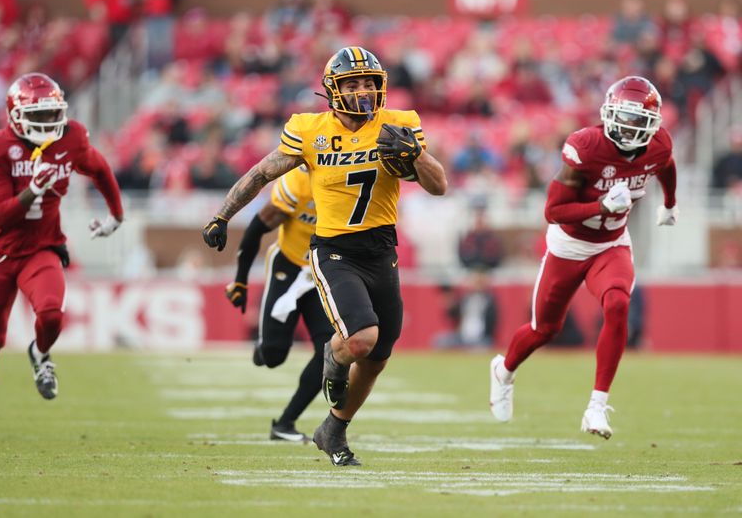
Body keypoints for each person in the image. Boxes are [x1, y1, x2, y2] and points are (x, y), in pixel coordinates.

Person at [203, 46, 447, 465]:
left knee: (377, 358)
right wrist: (223, 214)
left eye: (369, 82)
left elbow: (439, 185)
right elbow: (262, 172)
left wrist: (416, 157)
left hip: (382, 249)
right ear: (333, 90)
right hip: (334, 251)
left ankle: (333, 428)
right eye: (353, 83)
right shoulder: (309, 129)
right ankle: (331, 359)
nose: (363, 91)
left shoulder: (399, 124)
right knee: (360, 339)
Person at [488, 76, 677, 439]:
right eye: (625, 117)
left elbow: (665, 165)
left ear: (652, 124)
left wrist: (670, 203)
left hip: (612, 243)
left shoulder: (659, 146)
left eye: (639, 120)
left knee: (618, 303)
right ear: (608, 113)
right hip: (569, 245)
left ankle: (596, 406)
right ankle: (504, 370)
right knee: (544, 329)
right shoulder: (586, 146)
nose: (630, 126)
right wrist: (600, 204)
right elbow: (553, 210)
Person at [0, 73, 124, 439]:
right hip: (0, 252)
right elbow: (0, 213)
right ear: (16, 116)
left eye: (53, 114)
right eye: (41, 115)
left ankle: (40, 354)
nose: (49, 123)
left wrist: (116, 215)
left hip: (41, 248)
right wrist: (33, 190)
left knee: (51, 314)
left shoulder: (71, 137)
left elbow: (99, 168)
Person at [225, 166, 334, 442]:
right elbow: (255, 229)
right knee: (273, 356)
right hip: (288, 265)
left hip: (325, 273)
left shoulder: (351, 184)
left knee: (329, 352)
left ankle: (285, 423)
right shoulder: (297, 185)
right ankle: (265, 348)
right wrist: (240, 280)